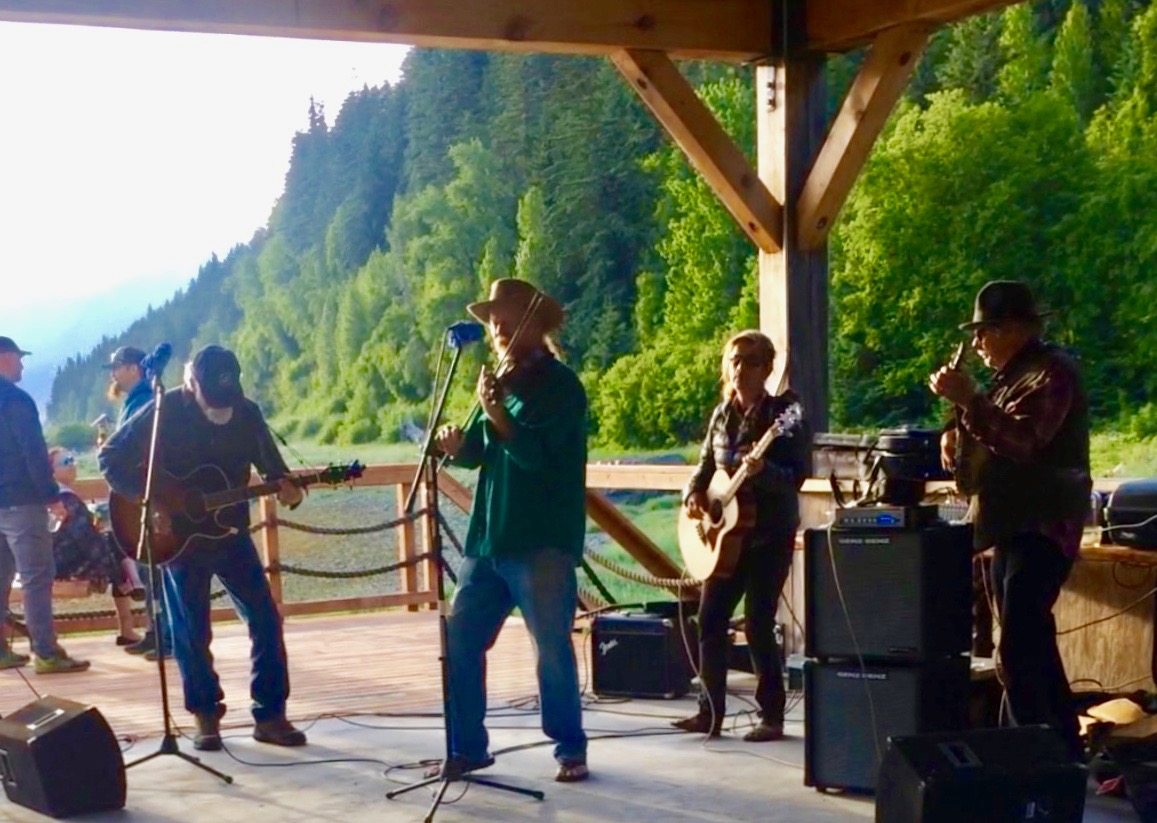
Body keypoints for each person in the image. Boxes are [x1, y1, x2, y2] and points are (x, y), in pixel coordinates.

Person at [99, 344, 307, 750]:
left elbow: (275, 471)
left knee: (265, 619)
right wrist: (149, 500)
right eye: (212, 400)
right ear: (192, 384)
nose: (220, 409)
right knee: (191, 631)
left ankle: (271, 716)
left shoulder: (246, 413)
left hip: (231, 533)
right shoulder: (163, 410)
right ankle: (205, 716)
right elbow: (111, 458)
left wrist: (290, 491)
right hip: (177, 538)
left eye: (226, 399)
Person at [433, 278, 590, 783]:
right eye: (491, 319)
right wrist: (458, 445)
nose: (496, 326)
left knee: (550, 647)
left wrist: (497, 411)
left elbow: (537, 457)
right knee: (459, 638)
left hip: (539, 541)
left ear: (534, 322)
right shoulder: (501, 380)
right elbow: (484, 451)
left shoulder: (561, 387)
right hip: (488, 540)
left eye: (506, 317)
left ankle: (570, 747)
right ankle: (466, 747)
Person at [929, 280, 1089, 761]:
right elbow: (984, 431)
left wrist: (969, 401)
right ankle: (1060, 749)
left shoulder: (1052, 373)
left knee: (1019, 645)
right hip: (1008, 524)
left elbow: (1025, 441)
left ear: (1014, 330)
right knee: (1029, 642)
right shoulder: (1009, 377)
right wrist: (953, 428)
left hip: (1043, 524)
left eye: (985, 331)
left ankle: (1031, 757)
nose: (977, 342)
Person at [672, 330, 808, 741]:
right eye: (734, 360)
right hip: (724, 539)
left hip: (769, 535)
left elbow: (796, 477)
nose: (740, 368)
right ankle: (709, 713)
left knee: (758, 623)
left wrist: (763, 471)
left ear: (767, 369)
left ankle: (772, 717)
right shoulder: (721, 414)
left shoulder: (784, 415)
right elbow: (704, 468)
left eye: (750, 361)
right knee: (709, 619)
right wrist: (692, 494)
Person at [0, 336, 91, 673]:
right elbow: (33, 453)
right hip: (22, 503)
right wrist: (52, 496)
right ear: (4, 358)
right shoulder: (17, 400)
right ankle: (46, 652)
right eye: (18, 358)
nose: (22, 365)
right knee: (36, 578)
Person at [104, 344, 171, 660]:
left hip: (147, 493)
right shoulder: (136, 400)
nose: (113, 374)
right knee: (148, 570)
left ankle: (166, 636)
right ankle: (156, 632)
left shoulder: (145, 400)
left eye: (117, 367)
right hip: (138, 494)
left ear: (133, 368)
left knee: (156, 570)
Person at [47, 447, 143, 646]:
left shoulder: (54, 495)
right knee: (117, 549)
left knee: (114, 546)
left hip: (55, 558)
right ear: (52, 472)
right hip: (62, 565)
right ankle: (132, 586)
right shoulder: (65, 499)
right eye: (65, 462)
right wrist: (107, 565)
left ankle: (129, 585)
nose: (72, 465)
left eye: (72, 459)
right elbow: (85, 539)